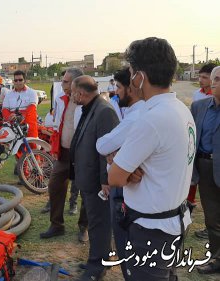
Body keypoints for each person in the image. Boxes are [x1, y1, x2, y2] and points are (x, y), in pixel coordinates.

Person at [109, 37, 195, 280]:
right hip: (173, 221)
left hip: (151, 231)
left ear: (140, 77)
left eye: (132, 72)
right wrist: (127, 165)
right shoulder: (180, 109)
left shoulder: (151, 119)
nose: (130, 78)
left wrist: (122, 166)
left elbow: (115, 176)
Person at [95, 67, 144, 280]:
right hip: (131, 190)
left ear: (132, 88)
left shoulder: (136, 117)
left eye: (119, 87)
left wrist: (116, 154)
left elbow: (102, 145)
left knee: (127, 250)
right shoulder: (140, 113)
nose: (115, 91)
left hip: (126, 192)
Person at [69, 75, 119, 281]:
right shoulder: (91, 108)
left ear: (80, 93)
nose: (70, 95)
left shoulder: (104, 111)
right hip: (88, 178)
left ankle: (97, 267)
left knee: (99, 224)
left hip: (99, 182)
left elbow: (107, 151)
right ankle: (98, 258)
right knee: (97, 222)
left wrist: (105, 181)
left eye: (72, 92)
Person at [39, 68, 88, 243]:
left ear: (76, 83)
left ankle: (84, 227)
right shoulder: (61, 98)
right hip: (64, 152)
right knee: (55, 185)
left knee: (86, 191)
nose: (62, 84)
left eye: (66, 82)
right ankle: (57, 225)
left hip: (83, 154)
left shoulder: (88, 101)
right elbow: (60, 124)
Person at [191, 65, 220, 275]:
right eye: (215, 79)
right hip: (206, 167)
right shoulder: (198, 107)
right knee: (212, 218)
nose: (216, 82)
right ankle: (217, 259)